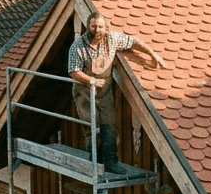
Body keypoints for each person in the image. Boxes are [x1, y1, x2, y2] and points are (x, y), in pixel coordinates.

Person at [67, 13, 166, 170]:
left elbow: (134, 42)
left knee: (109, 126)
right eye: (93, 26)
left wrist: (153, 55)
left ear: (106, 28)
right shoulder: (78, 46)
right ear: (88, 27)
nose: (97, 30)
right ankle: (95, 165)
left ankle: (111, 163)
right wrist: (91, 80)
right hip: (84, 92)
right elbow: (73, 71)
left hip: (104, 92)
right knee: (93, 128)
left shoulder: (111, 39)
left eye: (100, 26)